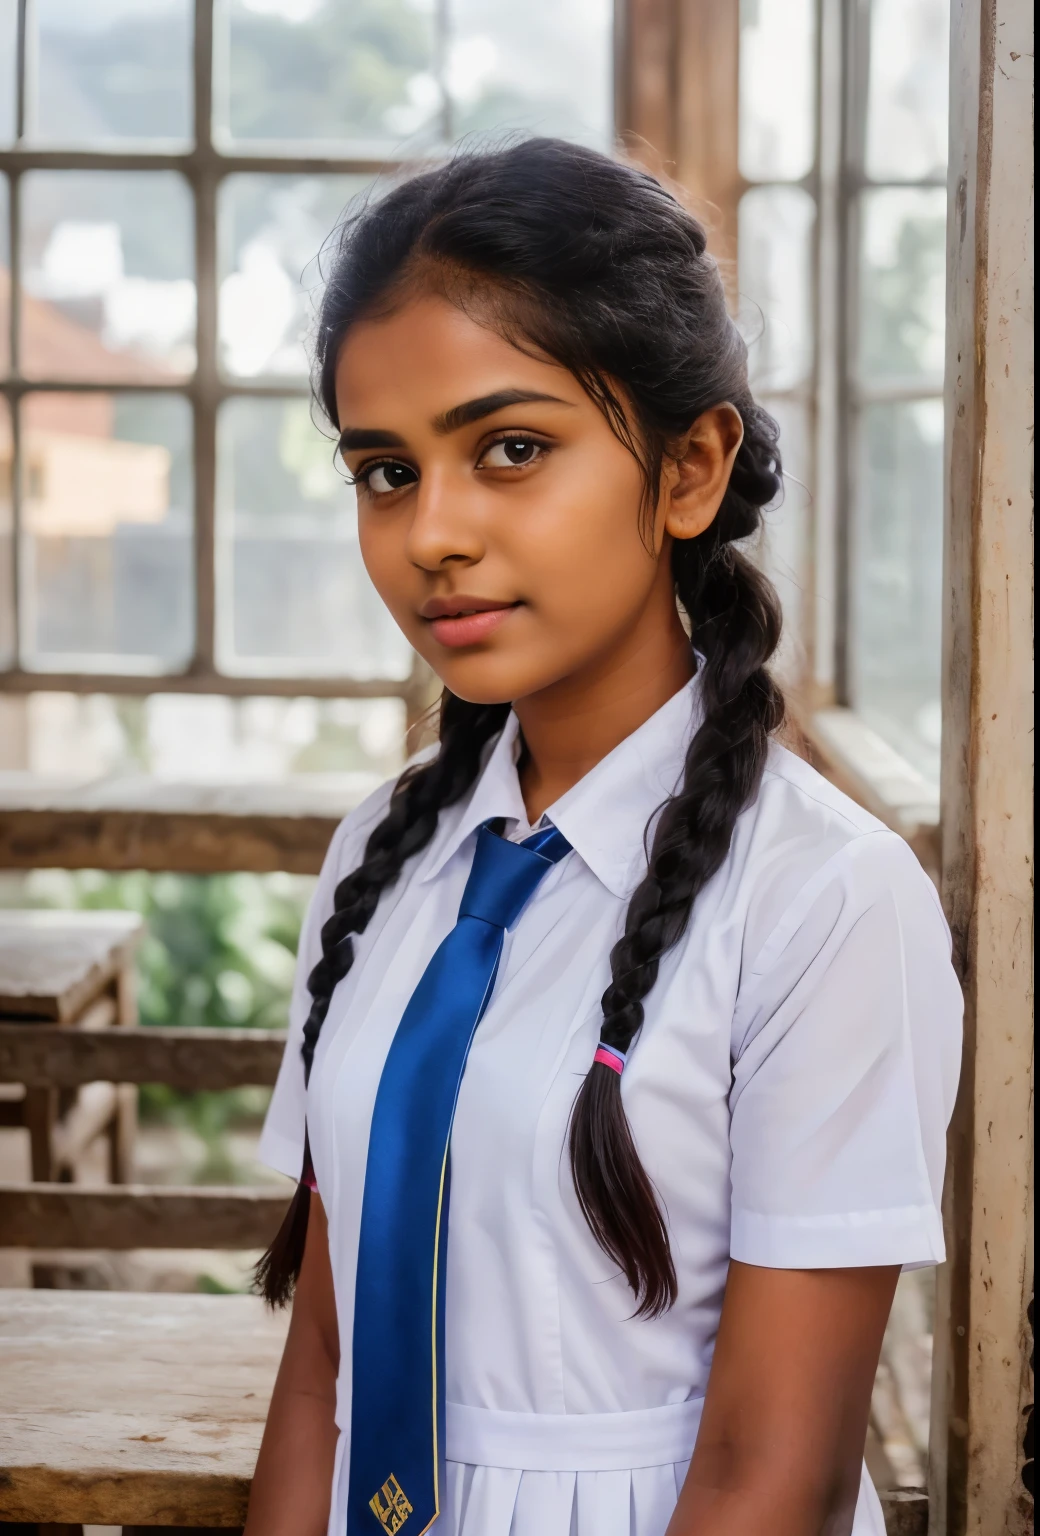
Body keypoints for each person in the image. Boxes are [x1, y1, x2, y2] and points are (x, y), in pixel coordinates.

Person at [243, 138, 962, 1536]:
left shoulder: (823, 902)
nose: (433, 534)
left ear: (690, 468)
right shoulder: (382, 858)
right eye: (385, 471)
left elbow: (775, 1476)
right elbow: (320, 1378)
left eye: (510, 449)